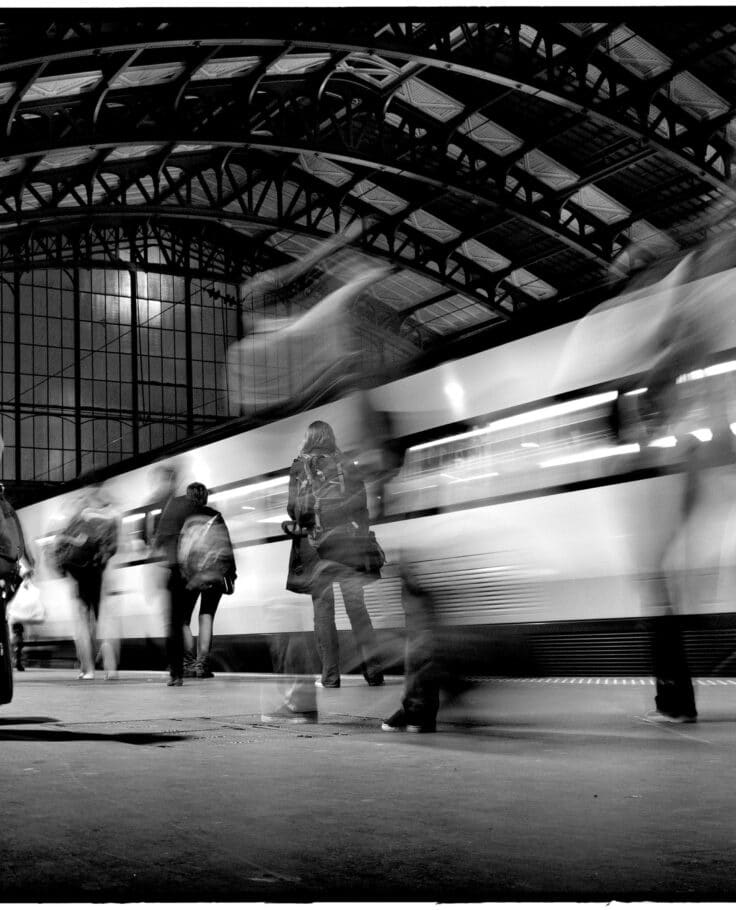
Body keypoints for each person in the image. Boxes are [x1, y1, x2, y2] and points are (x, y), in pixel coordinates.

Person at [285, 419, 385, 688]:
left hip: (314, 547)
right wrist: (361, 534)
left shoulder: (298, 468)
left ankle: (330, 676)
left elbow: (293, 510)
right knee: (357, 608)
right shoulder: (346, 464)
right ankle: (373, 671)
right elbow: (361, 505)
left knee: (323, 610)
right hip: (349, 544)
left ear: (308, 438)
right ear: (331, 437)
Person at [154, 482, 236, 685]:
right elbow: (226, 546)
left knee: (182, 621)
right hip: (215, 573)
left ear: (188, 497)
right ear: (206, 497)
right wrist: (230, 573)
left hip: (189, 575)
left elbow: (174, 545)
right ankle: (202, 664)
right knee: (206, 616)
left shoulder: (184, 516)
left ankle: (188, 661)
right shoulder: (216, 516)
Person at [53, 483, 119, 680]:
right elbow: (111, 548)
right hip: (98, 573)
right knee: (102, 622)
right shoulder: (108, 518)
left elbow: (59, 549)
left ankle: (87, 670)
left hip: (80, 576)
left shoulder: (74, 521)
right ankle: (111, 667)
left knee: (82, 623)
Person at [0, 483, 36, 672]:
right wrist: (28, 565)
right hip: (8, 569)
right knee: (8, 617)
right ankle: (10, 655)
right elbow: (20, 543)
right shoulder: (9, 511)